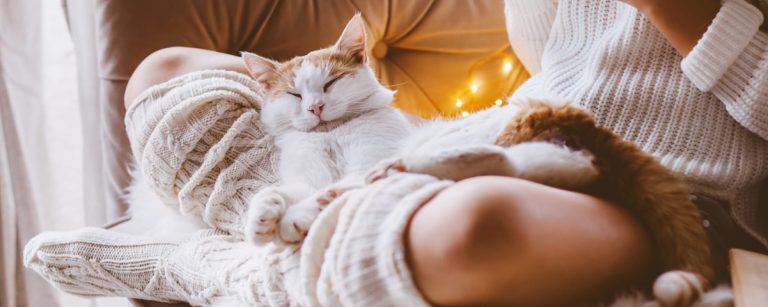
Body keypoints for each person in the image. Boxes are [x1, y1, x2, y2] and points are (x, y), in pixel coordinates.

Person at [121, 0, 768, 306]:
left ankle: (225, 269)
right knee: (164, 73)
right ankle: (277, 222)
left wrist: (679, 11)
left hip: (668, 190)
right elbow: (568, 63)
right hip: (516, 132)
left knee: (473, 230)